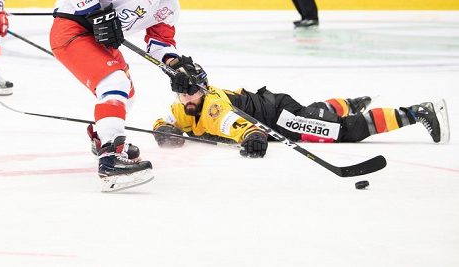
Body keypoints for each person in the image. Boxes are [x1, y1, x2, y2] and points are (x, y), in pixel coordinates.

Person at [49, 0, 202, 191]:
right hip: (72, 30)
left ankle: (103, 138)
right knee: (115, 83)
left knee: (127, 95)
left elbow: (160, 43)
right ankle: (111, 157)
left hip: (101, 43)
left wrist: (176, 67)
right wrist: (96, 12)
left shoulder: (167, 1)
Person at [152, 69, 450, 158]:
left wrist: (254, 136)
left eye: (192, 92)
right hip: (272, 105)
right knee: (315, 114)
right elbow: (163, 120)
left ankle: (417, 112)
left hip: (280, 120)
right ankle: (343, 104)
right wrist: (163, 130)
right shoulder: (182, 105)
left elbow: (239, 126)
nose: (187, 98)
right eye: (182, 93)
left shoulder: (215, 108)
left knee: (343, 132)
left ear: (204, 90)